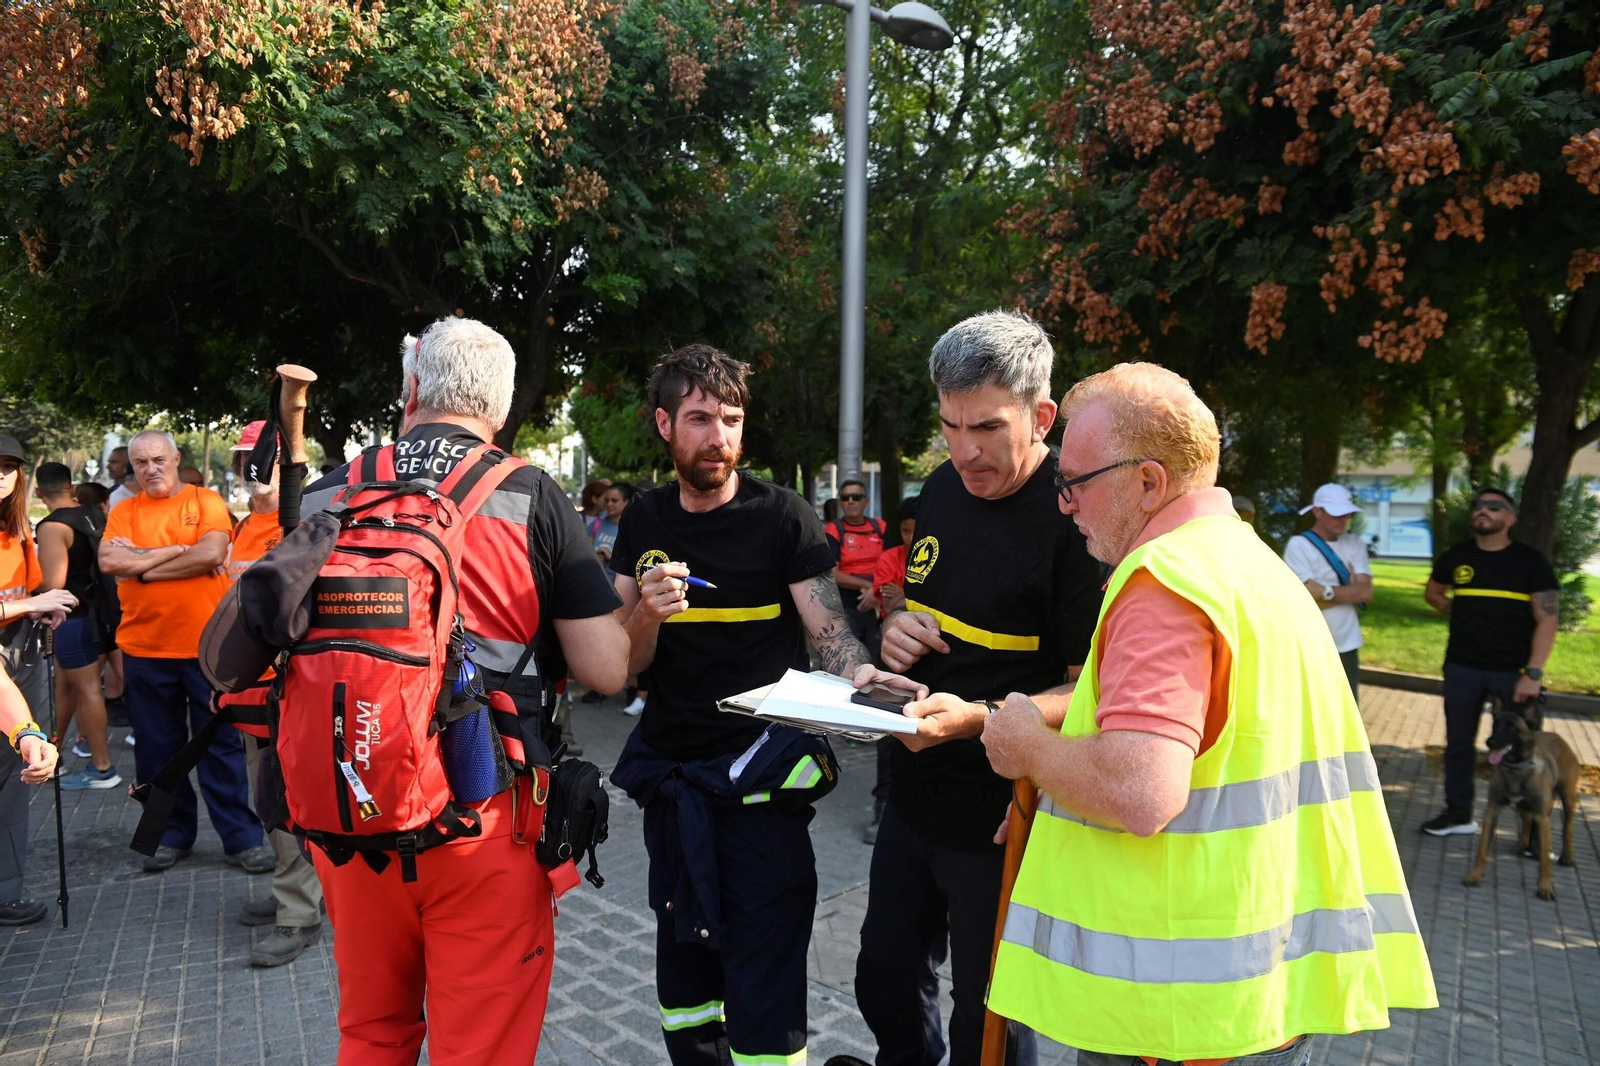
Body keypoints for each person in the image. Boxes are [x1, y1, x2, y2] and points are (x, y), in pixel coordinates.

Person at [977, 362, 1436, 1065]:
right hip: (1256, 982)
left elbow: (1141, 790)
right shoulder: (1249, 567)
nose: (1063, 504)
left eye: (1072, 483)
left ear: (1148, 482)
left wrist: (1030, 750)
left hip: (1176, 1010)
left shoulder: (1164, 583)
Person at [294, 316, 629, 1063]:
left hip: (353, 807)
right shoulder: (531, 494)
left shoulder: (322, 495)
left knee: (372, 1031)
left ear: (411, 388)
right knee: (479, 1046)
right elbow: (608, 669)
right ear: (502, 410)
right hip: (486, 816)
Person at [608, 344, 917, 1066]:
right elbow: (619, 667)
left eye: (732, 419)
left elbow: (830, 634)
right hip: (675, 792)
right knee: (684, 989)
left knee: (766, 990)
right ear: (664, 425)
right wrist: (647, 615)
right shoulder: (645, 522)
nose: (719, 436)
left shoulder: (783, 517)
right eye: (700, 419)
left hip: (761, 791)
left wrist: (865, 682)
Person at [830, 311, 1104, 1066]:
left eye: (985, 427)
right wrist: (898, 631)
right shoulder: (944, 486)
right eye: (949, 425)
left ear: (1041, 416)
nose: (964, 450)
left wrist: (981, 719)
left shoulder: (1078, 518)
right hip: (915, 791)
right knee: (884, 974)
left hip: (1002, 811)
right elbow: (924, 603)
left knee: (987, 1019)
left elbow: (1091, 693)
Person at [99, 430, 271, 875]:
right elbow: (109, 562)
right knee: (157, 753)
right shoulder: (124, 509)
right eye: (140, 463)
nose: (151, 469)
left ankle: (242, 838)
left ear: (176, 458)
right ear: (131, 468)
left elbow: (212, 552)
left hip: (207, 650)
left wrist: (146, 569)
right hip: (144, 649)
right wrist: (179, 550)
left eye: (159, 459)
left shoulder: (205, 501)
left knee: (220, 747)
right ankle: (169, 836)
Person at [223, 421, 327, 967]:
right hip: (250, 692)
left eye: (262, 457)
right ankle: (295, 891)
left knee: (287, 802)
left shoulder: (301, 524)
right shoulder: (247, 526)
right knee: (266, 799)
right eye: (245, 458)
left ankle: (299, 913)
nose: (252, 468)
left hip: (284, 693)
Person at [1420, 486, 1560, 837]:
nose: (1483, 511)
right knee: (1458, 745)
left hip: (1512, 674)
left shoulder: (1531, 562)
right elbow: (1433, 592)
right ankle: (1458, 815)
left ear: (1510, 518)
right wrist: (1458, 610)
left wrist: (1534, 673)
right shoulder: (1457, 557)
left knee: (1522, 750)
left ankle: (1531, 831)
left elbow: (1548, 620)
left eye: (1494, 507)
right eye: (1478, 506)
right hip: (1461, 668)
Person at [0, 435, 76, 925]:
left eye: (8, 468)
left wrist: (41, 612)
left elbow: (27, 590)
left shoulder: (17, 530)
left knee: (14, 773)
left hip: (18, 656)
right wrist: (32, 605)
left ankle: (7, 888)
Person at [33, 462, 120, 791]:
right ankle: (53, 752)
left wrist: (26, 599)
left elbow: (53, 586)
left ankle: (102, 767)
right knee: (65, 688)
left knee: (86, 690)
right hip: (102, 612)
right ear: (70, 486)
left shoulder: (52, 527)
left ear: (39, 492)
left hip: (73, 617)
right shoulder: (93, 513)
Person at [861, 494, 917, 845]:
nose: (912, 538)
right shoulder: (889, 558)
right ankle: (883, 802)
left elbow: (901, 598)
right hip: (892, 655)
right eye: (906, 531)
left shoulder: (941, 554)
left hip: (928, 660)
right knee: (886, 731)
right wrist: (907, 599)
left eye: (917, 530)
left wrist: (904, 596)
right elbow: (889, 601)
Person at [1282, 483, 1372, 698]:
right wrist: (1349, 590)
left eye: (1347, 514)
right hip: (1311, 645)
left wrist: (1325, 592)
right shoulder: (1298, 545)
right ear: (1317, 511)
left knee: (1348, 714)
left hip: (1347, 645)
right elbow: (1303, 597)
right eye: (1336, 514)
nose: (1343, 520)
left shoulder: (1355, 543)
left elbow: (1366, 592)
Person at [106, 445, 137, 510]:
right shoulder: (112, 491)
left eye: (113, 462)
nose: (108, 467)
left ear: (129, 464)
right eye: (109, 462)